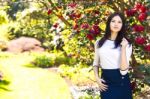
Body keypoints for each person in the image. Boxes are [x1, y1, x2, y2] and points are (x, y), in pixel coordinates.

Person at [93, 12, 133, 99]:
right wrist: (97, 79)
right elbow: (95, 63)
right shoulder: (99, 43)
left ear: (122, 25)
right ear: (109, 23)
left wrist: (123, 48)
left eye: (119, 22)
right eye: (113, 21)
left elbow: (123, 71)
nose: (116, 24)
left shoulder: (127, 44)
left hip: (122, 82)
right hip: (106, 83)